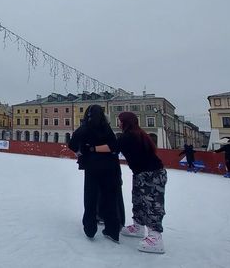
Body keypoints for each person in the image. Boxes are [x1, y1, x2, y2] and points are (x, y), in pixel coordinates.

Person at [110, 111, 167, 254]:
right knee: (138, 200)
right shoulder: (138, 133)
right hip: (142, 173)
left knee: (152, 204)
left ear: (125, 122)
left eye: (119, 120)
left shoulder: (129, 136)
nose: (118, 123)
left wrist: (90, 148)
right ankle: (138, 226)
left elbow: (112, 148)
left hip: (152, 174)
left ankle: (155, 238)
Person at [68, 105, 122, 243]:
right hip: (109, 167)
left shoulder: (84, 128)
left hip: (92, 168)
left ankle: (90, 229)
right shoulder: (107, 128)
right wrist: (96, 149)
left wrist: (86, 150)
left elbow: (72, 144)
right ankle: (112, 230)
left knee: (90, 198)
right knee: (109, 198)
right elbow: (114, 146)